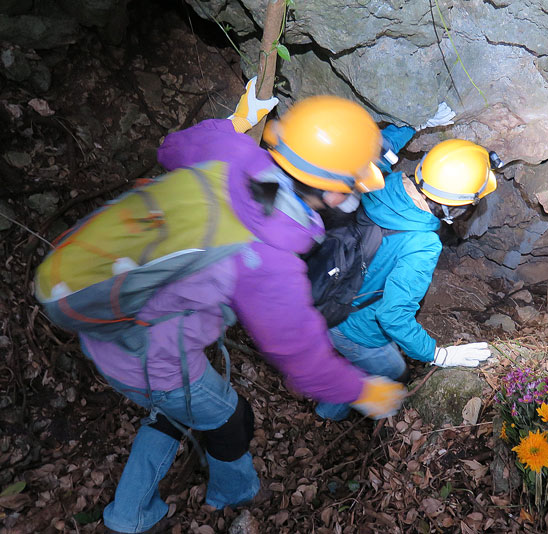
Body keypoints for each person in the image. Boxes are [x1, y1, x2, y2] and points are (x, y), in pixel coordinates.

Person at [34, 79, 404, 534]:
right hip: (143, 353)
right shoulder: (266, 261)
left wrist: (237, 121)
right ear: (332, 193)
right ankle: (192, 503)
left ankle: (136, 505)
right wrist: (364, 391)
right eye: (350, 187)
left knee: (186, 410)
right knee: (230, 421)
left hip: (110, 300)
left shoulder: (230, 153)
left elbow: (171, 148)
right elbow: (302, 360)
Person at [315, 110, 497, 422]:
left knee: (357, 359)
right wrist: (438, 354)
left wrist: (412, 124)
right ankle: (330, 414)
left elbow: (375, 150)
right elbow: (392, 315)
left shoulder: (379, 182)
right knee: (395, 370)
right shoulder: (423, 245)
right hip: (356, 328)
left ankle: (328, 400)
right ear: (458, 206)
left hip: (323, 296)